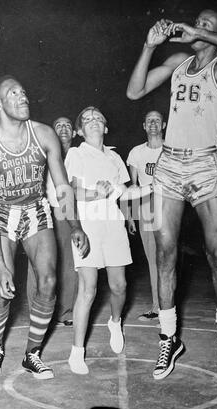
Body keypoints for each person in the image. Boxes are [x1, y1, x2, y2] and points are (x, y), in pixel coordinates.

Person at [127, 9, 217, 380]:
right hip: (169, 164)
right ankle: (169, 339)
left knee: (216, 255)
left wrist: (210, 36)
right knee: (166, 252)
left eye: (207, 25)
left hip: (205, 166)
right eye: (196, 21)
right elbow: (134, 91)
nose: (197, 27)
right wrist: (148, 47)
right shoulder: (179, 61)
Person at [0, 75, 89, 379]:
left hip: (37, 209)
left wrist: (75, 224)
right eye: (14, 94)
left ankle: (31, 354)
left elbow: (62, 185)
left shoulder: (44, 134)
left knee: (48, 282)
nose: (23, 97)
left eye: (24, 92)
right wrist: (0, 264)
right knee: (4, 287)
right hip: (2, 215)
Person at [65, 106, 141, 375]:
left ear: (106, 127)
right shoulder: (76, 153)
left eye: (98, 118)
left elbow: (126, 191)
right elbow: (70, 192)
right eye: (86, 119)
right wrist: (96, 192)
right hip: (88, 226)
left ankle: (115, 321)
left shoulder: (115, 157)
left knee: (119, 287)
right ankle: (77, 352)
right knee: (88, 289)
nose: (93, 121)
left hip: (113, 226)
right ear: (79, 131)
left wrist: (124, 188)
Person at [26, 116, 78, 326]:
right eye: (58, 125)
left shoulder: (80, 156)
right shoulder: (40, 154)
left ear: (74, 133)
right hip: (42, 211)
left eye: (68, 125)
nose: (63, 128)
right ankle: (36, 312)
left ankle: (66, 312)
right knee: (38, 262)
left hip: (69, 212)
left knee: (69, 262)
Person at [127, 110, 165, 321]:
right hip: (147, 207)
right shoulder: (136, 153)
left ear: (164, 125)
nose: (153, 123)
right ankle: (157, 306)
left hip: (168, 206)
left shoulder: (171, 150)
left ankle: (169, 306)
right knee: (153, 259)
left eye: (157, 120)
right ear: (144, 125)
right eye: (149, 120)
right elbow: (133, 186)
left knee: (168, 258)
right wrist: (131, 215)